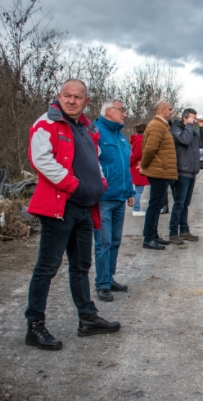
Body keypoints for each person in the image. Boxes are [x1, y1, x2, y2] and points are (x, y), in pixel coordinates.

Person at [24, 79, 121, 351]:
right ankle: (34, 325)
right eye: (67, 95)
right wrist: (74, 185)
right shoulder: (47, 123)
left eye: (78, 97)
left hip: (83, 208)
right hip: (60, 207)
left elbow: (95, 162)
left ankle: (87, 319)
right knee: (47, 268)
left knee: (81, 266)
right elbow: (40, 160)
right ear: (59, 96)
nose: (72, 101)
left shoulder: (87, 128)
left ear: (86, 101)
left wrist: (99, 184)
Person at [93, 99, 135, 302]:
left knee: (115, 241)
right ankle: (101, 284)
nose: (124, 114)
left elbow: (125, 167)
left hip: (120, 197)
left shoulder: (121, 136)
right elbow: (92, 164)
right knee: (103, 242)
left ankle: (109, 278)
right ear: (108, 111)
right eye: (121, 110)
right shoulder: (96, 132)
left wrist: (130, 191)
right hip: (103, 198)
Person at [168, 108, 203, 244]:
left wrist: (202, 128)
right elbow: (184, 141)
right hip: (181, 171)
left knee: (185, 204)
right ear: (184, 118)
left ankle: (184, 231)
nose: (194, 121)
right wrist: (190, 126)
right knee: (179, 204)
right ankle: (173, 233)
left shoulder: (191, 130)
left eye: (195, 119)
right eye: (192, 118)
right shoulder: (176, 130)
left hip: (191, 172)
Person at [140, 101, 177, 250]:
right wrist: (144, 165)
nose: (172, 111)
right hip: (158, 172)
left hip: (162, 172)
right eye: (170, 109)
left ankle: (153, 235)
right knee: (155, 205)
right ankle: (149, 238)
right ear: (161, 110)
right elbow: (150, 149)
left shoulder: (163, 126)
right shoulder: (156, 126)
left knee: (157, 205)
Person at [130, 123, 149, 216]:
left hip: (137, 166)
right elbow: (137, 154)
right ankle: (136, 208)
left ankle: (136, 208)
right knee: (139, 189)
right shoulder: (141, 141)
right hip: (138, 167)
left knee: (138, 189)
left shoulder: (137, 139)